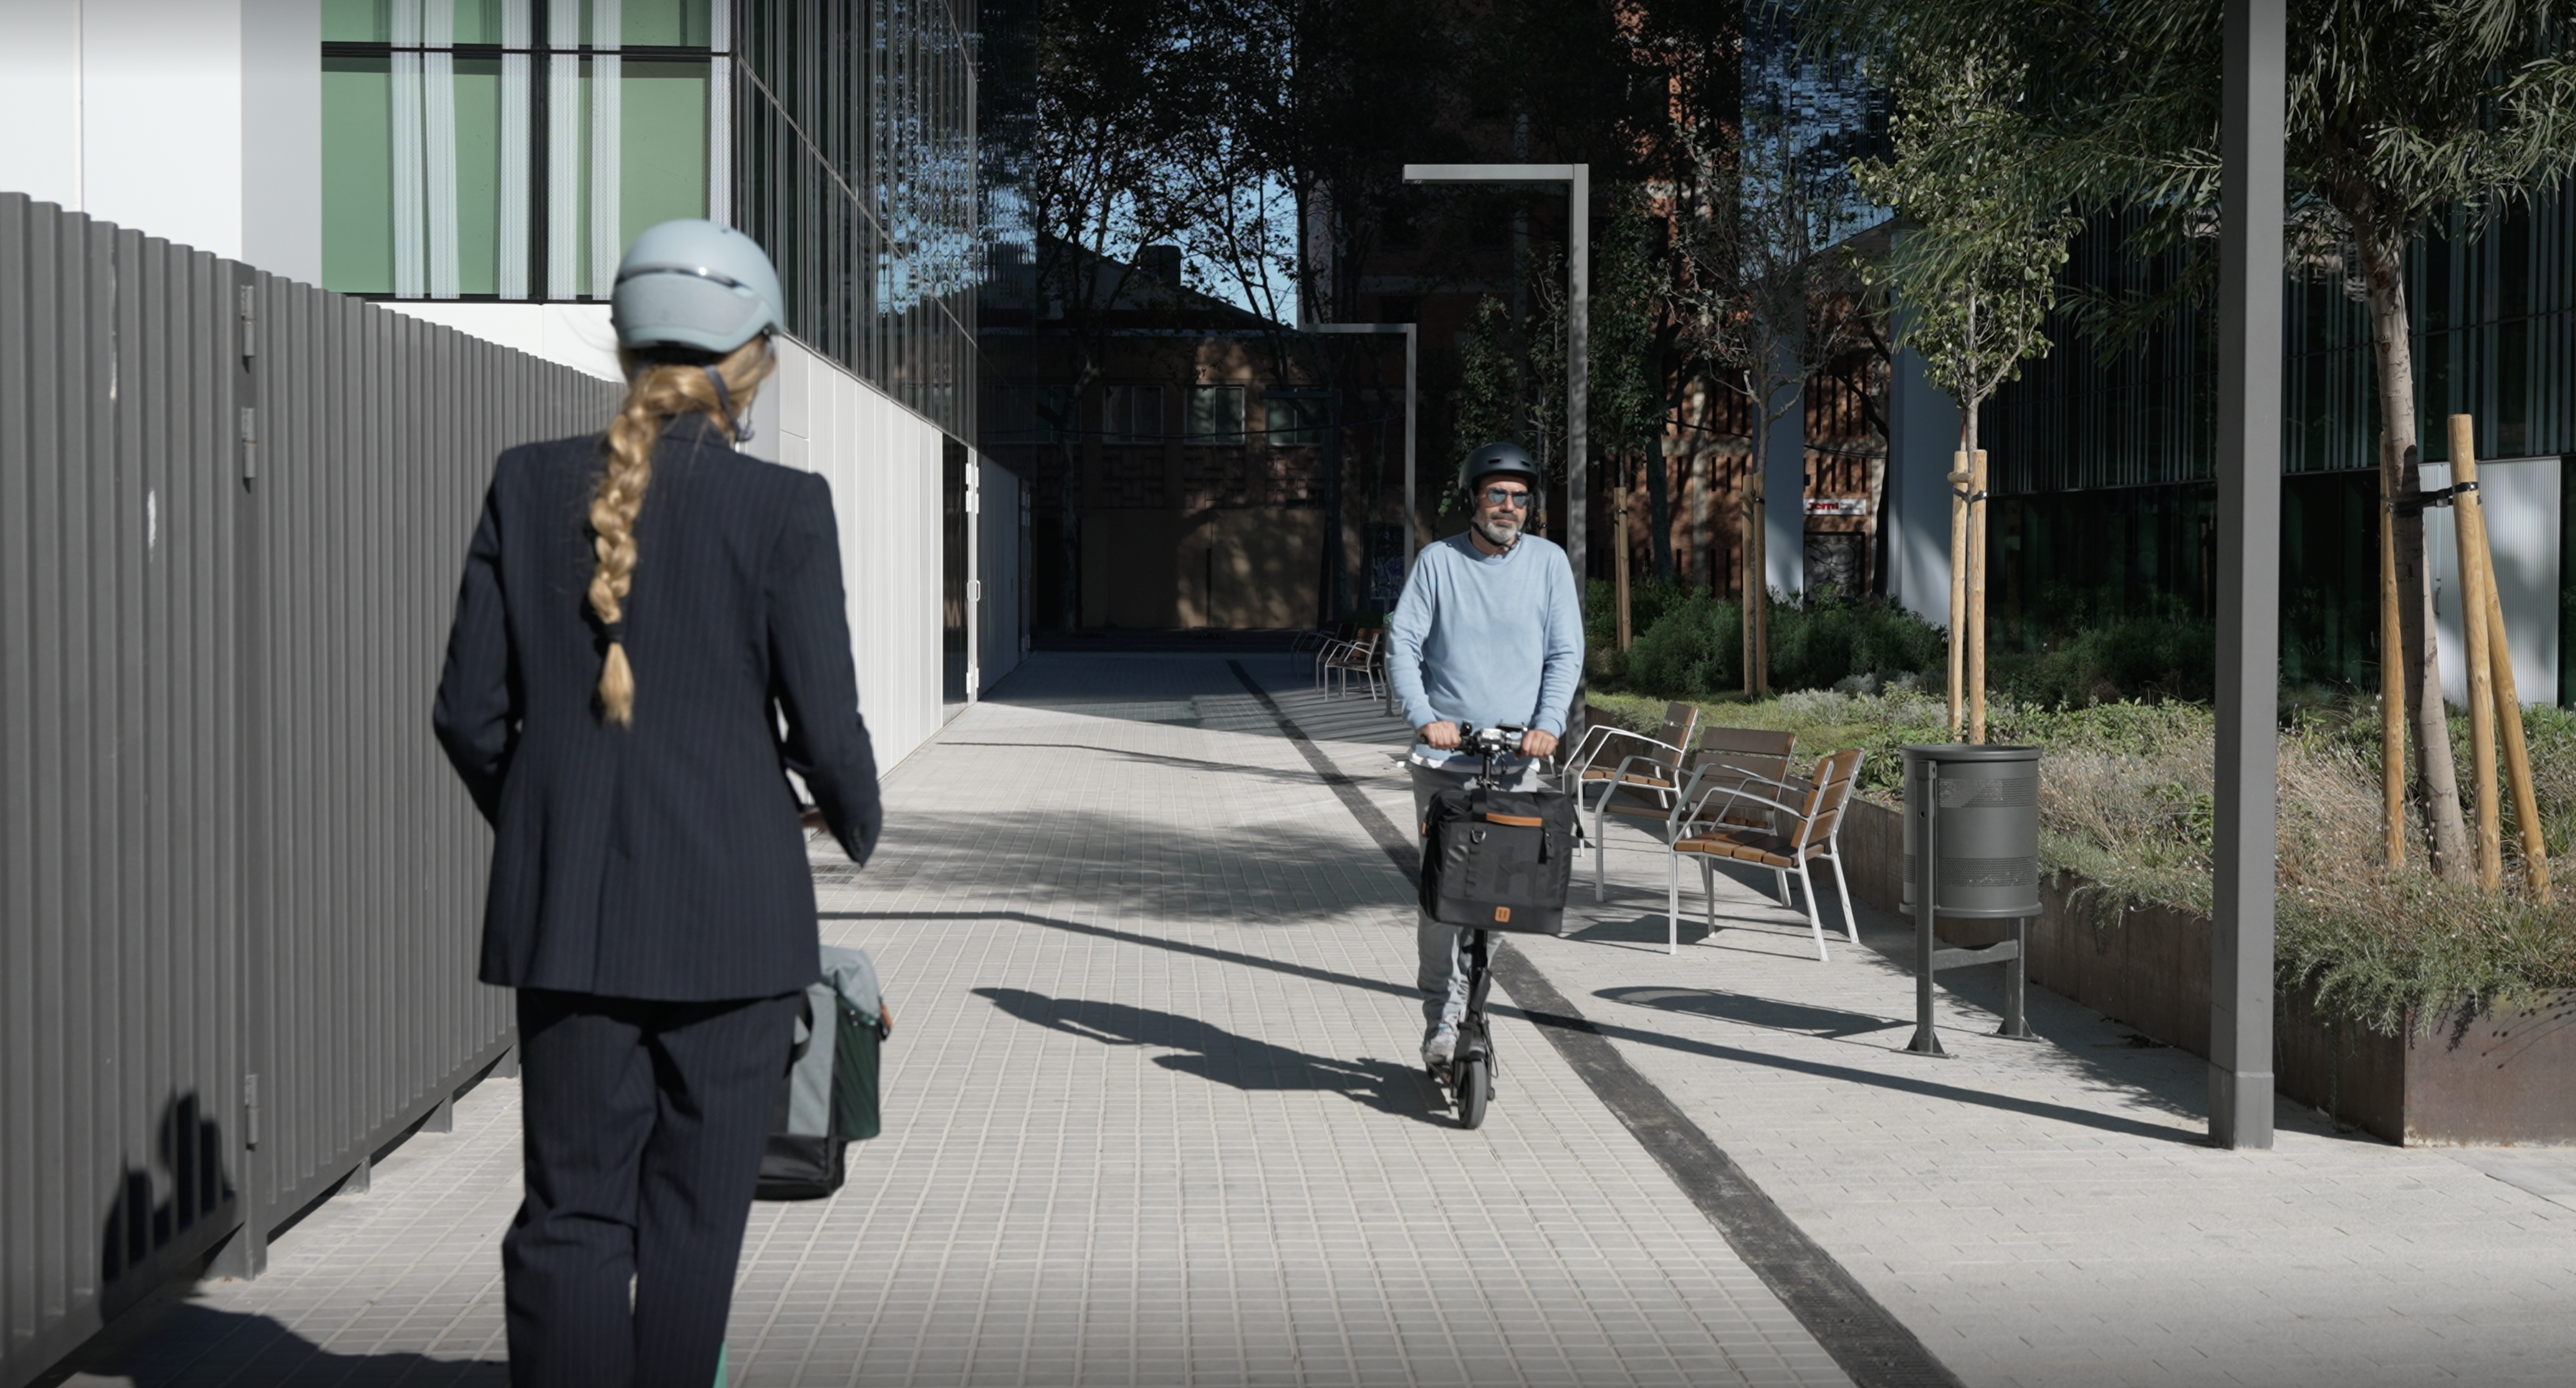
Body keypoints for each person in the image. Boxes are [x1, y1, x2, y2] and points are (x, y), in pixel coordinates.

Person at [431, 219, 883, 1388]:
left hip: (570, 923)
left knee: (573, 1210)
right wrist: (855, 820)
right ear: (750, 360)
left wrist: (552, 827)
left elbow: (469, 717)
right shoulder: (783, 507)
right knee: (694, 1216)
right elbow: (827, 728)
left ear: (627, 343)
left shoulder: (526, 483)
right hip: (737, 923)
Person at [1385, 441, 1584, 1073]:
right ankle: (1439, 1024)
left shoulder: (1548, 564)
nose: (1508, 506)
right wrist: (1426, 719)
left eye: (1519, 497)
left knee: (1498, 900)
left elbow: (1563, 654)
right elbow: (1402, 645)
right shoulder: (1438, 562)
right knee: (1445, 899)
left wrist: (1548, 724)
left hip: (1515, 759)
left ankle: (1471, 1012)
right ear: (1473, 496)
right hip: (1445, 762)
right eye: (1496, 494)